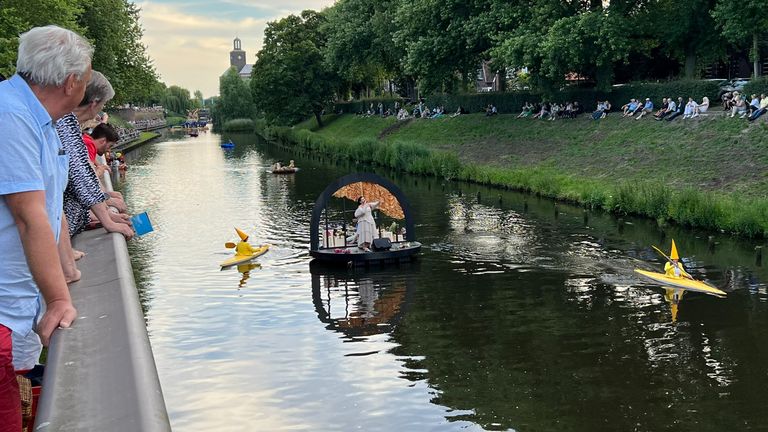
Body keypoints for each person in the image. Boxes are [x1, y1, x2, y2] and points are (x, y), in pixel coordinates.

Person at [0, 25, 92, 431]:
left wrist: (66, 268)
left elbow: (51, 205)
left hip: (16, 308)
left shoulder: (41, 121)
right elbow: (28, 216)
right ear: (72, 81)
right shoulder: (10, 117)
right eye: (86, 79)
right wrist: (58, 299)